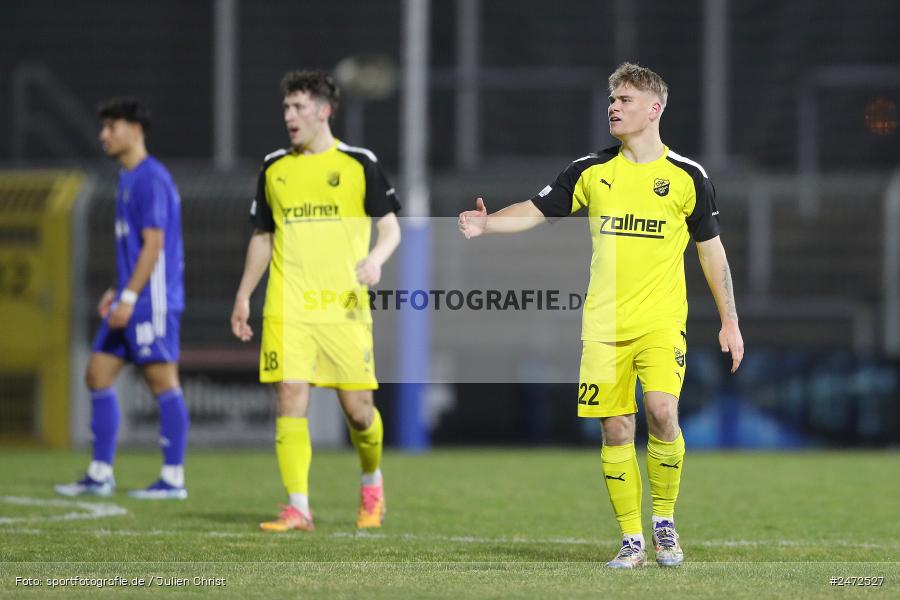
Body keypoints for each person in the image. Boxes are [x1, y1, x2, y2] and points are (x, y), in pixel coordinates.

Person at [458, 63, 744, 568]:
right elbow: (535, 209)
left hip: (660, 323)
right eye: (612, 99)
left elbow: (711, 251)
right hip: (604, 328)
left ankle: (664, 523)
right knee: (615, 429)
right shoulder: (590, 171)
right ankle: (632, 540)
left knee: (662, 411)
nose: (613, 107)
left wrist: (730, 321)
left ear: (654, 109)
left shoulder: (688, 177)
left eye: (625, 99)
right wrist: (488, 224)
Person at [231, 70, 401, 531]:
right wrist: (244, 294)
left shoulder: (359, 163)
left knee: (359, 412)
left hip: (343, 307)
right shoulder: (274, 167)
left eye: (299, 107)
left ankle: (371, 481)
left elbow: (390, 228)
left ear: (324, 111)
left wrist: (376, 260)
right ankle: (298, 507)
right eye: (286, 107)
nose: (289, 116)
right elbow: (263, 236)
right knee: (289, 394)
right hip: (288, 306)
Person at [56, 97, 189, 500]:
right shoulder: (128, 178)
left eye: (111, 127)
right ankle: (100, 473)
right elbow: (135, 250)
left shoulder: (151, 178)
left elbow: (154, 245)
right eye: (104, 127)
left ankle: (173, 479)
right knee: (97, 373)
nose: (104, 135)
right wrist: (119, 291)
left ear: (136, 130)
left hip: (153, 300)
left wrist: (130, 296)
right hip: (131, 297)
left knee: (161, 380)